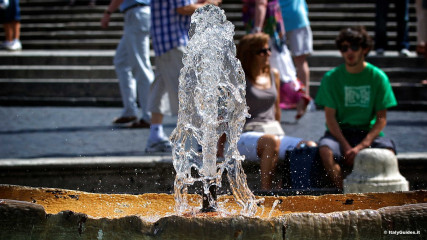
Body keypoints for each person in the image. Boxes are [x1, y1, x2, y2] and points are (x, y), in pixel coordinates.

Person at [218, 33, 316, 190]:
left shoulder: (273, 74)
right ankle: (266, 191)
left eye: (269, 49)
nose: (268, 54)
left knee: (308, 146)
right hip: (244, 135)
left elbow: (276, 110)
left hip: (272, 132)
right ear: (249, 54)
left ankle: (292, 187)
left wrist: (280, 133)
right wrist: (220, 146)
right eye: (262, 51)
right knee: (270, 142)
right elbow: (224, 113)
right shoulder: (235, 79)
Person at [315, 26, 397, 189]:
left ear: (364, 49)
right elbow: (330, 118)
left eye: (354, 47)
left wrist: (362, 146)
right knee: (325, 150)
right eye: (344, 48)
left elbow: (381, 119)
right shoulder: (331, 78)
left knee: (388, 152)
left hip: (367, 133)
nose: (349, 52)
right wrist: (346, 146)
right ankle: (343, 193)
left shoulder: (378, 77)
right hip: (340, 133)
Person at [146, 0, 222, 152]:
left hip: (164, 42)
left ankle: (155, 133)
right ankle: (200, 140)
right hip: (175, 41)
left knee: (161, 87)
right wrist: (209, 4)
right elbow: (184, 8)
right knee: (189, 89)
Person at [242, 0, 311, 120]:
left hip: (267, 27)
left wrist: (257, 30)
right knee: (281, 66)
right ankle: (298, 94)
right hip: (274, 24)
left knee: (271, 66)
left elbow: (261, 3)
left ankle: (296, 95)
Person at [101, 0, 154, 127]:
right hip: (137, 13)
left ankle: (150, 115)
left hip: (136, 14)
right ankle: (130, 111)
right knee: (121, 61)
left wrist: (108, 12)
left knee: (141, 66)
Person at [278, 0, 312, 96]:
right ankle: (304, 97)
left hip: (283, 18)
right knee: (300, 61)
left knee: (298, 61)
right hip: (295, 17)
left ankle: (303, 97)